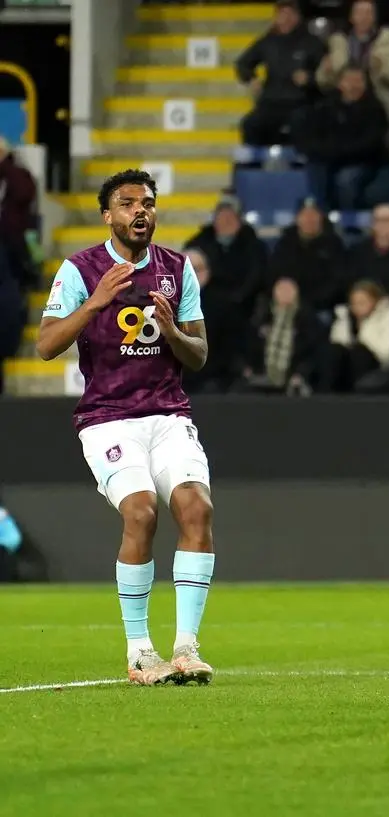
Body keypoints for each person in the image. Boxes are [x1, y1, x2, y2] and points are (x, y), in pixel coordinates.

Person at [34, 169, 216, 687]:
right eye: (129, 203)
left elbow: (199, 355)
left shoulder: (177, 269)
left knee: (197, 507)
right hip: (108, 418)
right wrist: (93, 304)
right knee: (141, 513)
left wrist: (175, 330)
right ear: (107, 215)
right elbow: (46, 346)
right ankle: (140, 651)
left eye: (149, 203)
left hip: (167, 414)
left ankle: (185, 647)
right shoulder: (80, 269)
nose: (141, 211)